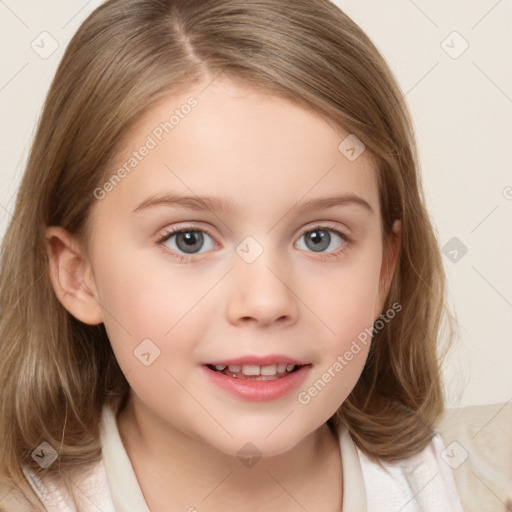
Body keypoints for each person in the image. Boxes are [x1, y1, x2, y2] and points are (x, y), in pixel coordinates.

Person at [0, 1, 510, 510]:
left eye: (320, 238)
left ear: (383, 270)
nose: (266, 301)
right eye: (189, 240)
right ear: (78, 274)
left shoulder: (479, 487)